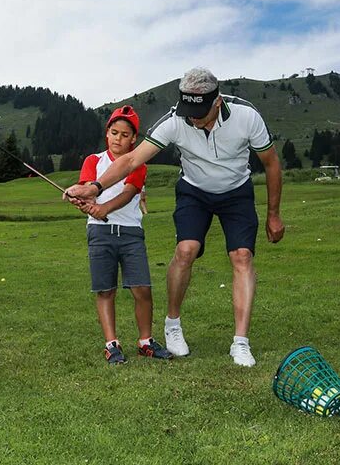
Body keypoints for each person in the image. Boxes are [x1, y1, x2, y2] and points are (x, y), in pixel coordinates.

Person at [66, 67, 285, 367]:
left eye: (200, 112)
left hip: (236, 191)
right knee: (186, 250)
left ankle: (240, 343)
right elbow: (131, 159)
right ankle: (172, 323)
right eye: (188, 110)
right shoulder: (175, 120)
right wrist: (95, 186)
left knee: (243, 256)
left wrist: (274, 214)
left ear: (217, 102)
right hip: (194, 191)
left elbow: (271, 164)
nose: (193, 118)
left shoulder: (247, 116)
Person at [75, 106, 173, 365]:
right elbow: (88, 188)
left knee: (142, 288)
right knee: (105, 289)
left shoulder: (137, 163)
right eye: (114, 132)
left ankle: (145, 342)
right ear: (107, 133)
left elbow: (129, 193)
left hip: (130, 232)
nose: (118, 138)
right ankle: (111, 344)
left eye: (125, 134)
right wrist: (85, 201)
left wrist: (103, 208)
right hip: (100, 232)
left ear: (133, 139)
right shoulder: (93, 161)